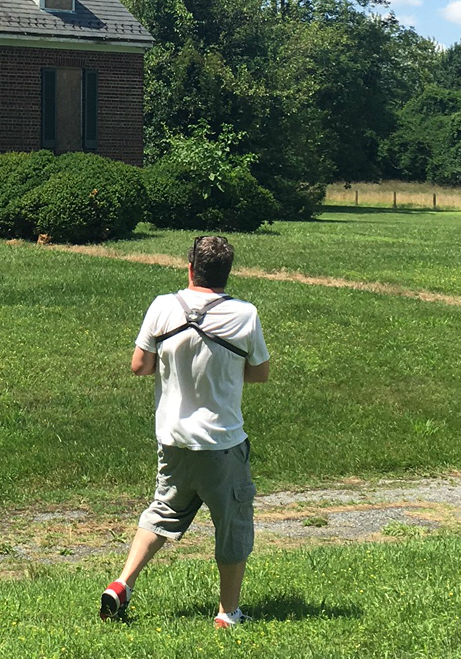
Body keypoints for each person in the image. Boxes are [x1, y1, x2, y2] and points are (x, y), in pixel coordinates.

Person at [99, 235, 271, 628]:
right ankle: (228, 611)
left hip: (172, 438)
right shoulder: (245, 314)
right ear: (227, 274)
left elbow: (139, 365)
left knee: (163, 510)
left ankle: (122, 583)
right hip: (222, 442)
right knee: (233, 523)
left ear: (190, 269)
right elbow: (260, 373)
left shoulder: (163, 306)